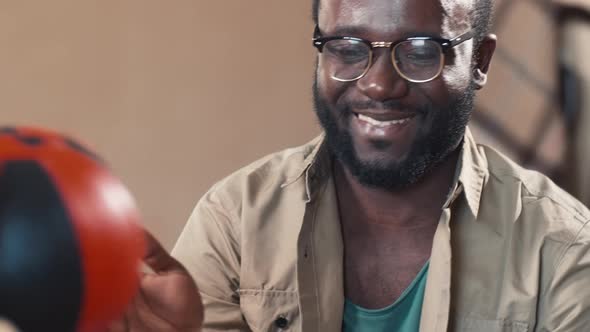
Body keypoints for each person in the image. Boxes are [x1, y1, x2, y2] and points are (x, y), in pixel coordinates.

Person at [111, 0, 590, 331]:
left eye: (421, 50)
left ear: (480, 60)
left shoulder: (562, 249)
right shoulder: (236, 218)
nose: (379, 86)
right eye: (346, 48)